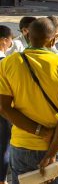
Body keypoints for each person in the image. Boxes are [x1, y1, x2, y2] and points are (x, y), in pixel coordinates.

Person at [0, 18, 58, 184]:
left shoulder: (9, 63)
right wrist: (51, 154)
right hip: (57, 147)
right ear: (52, 40)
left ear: (28, 36)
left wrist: (41, 132)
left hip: (23, 146)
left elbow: (4, 108)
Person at [0, 26, 13, 184]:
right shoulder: (5, 63)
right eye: (10, 39)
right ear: (4, 40)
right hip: (2, 111)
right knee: (3, 146)